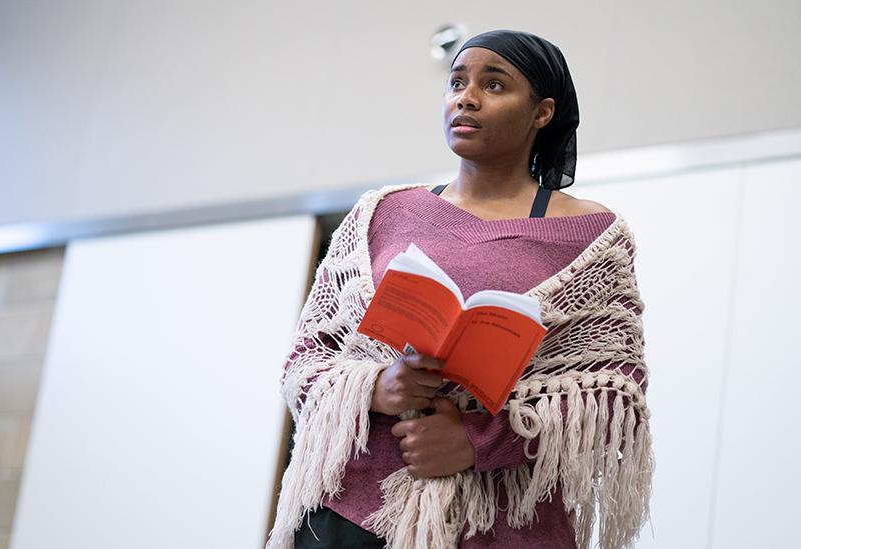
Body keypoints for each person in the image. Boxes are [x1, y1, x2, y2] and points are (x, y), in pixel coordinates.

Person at [270, 29, 653, 549]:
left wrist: (477, 442)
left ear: (542, 113)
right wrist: (375, 387)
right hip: (348, 514)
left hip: (500, 526)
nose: (466, 98)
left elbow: (613, 397)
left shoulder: (592, 235)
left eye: (494, 85)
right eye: (457, 83)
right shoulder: (381, 213)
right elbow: (305, 359)